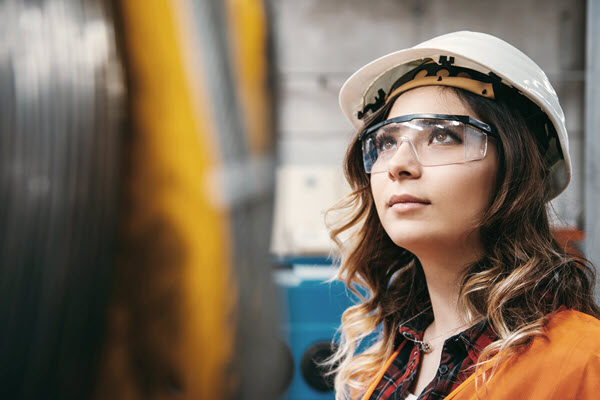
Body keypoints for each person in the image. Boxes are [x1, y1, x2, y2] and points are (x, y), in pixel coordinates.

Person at [324, 31, 600, 400]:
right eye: (386, 141)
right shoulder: (383, 364)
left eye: (442, 136)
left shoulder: (583, 361)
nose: (398, 165)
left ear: (515, 169)